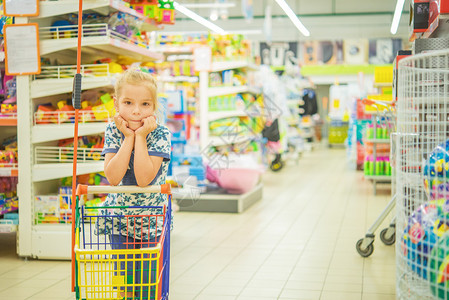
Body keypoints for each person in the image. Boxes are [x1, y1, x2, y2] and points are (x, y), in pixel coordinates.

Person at [100, 69, 171, 299]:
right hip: (120, 221)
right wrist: (128, 138)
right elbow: (112, 177)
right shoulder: (113, 130)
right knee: (124, 285)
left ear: (154, 106)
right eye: (128, 102)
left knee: (149, 286)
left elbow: (143, 179)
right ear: (116, 103)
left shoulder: (160, 134)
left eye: (145, 104)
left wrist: (139, 136)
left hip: (152, 222)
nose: (136, 110)